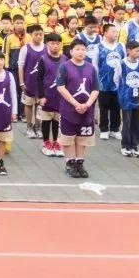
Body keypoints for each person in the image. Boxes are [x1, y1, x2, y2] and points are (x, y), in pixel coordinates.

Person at [56, 38, 100, 179]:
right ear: (71, 51)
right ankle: (70, 163)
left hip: (86, 110)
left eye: (83, 49)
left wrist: (87, 104)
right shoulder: (64, 67)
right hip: (69, 110)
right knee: (68, 138)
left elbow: (95, 89)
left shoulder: (91, 68)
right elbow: (61, 87)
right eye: (77, 49)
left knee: (83, 138)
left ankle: (80, 162)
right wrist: (75, 104)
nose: (81, 52)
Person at [115, 40, 139, 157]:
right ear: (128, 51)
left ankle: (134, 145)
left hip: (138, 98)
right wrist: (122, 93)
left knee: (137, 122)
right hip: (126, 97)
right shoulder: (121, 63)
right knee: (127, 121)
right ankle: (125, 145)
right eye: (136, 50)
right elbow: (117, 79)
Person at [36, 33, 65, 157]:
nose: (55, 46)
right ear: (47, 44)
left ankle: (56, 143)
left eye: (58, 44)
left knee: (57, 120)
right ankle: (46, 143)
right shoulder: (43, 59)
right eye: (52, 43)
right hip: (47, 95)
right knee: (46, 120)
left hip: (60, 96)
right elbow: (39, 79)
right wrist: (41, 96)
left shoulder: (65, 59)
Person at [95, 23, 123, 141]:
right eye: (113, 31)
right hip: (103, 82)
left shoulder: (121, 46)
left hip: (117, 83)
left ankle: (115, 129)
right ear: (105, 33)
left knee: (116, 106)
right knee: (104, 106)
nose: (115, 34)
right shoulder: (98, 47)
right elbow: (95, 64)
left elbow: (124, 62)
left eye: (116, 32)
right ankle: (104, 129)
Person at [17, 25, 45, 139]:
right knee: (28, 104)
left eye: (41, 34)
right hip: (29, 82)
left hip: (42, 84)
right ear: (31, 35)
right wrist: (21, 83)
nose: (38, 36)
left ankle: (38, 127)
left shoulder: (46, 48)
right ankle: (29, 127)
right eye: (36, 34)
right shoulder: (25, 48)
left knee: (40, 105)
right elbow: (20, 66)